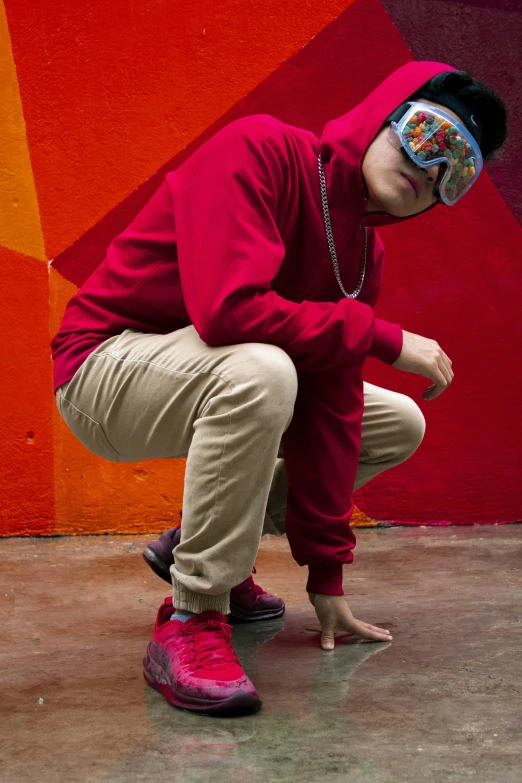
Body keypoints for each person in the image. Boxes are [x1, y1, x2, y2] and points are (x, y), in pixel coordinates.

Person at [51, 61, 507, 715]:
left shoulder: (361, 256)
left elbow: (332, 408)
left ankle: (203, 542)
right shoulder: (259, 150)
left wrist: (327, 576)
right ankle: (191, 616)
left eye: (453, 171)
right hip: (101, 369)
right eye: (427, 138)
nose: (427, 171)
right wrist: (383, 336)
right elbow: (227, 312)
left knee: (395, 421)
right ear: (385, 111)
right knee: (263, 368)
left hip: (205, 374)